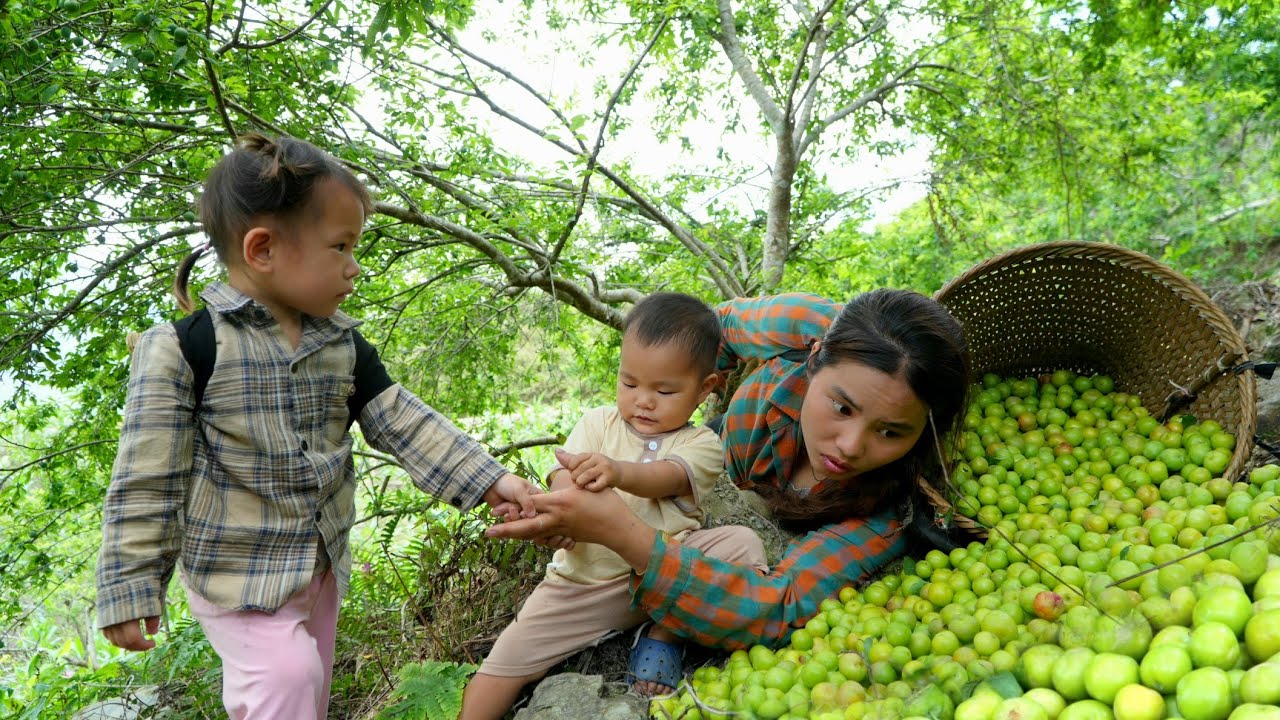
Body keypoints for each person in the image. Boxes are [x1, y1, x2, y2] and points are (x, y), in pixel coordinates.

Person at [94, 133, 545, 720]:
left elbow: (402, 420)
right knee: (288, 678)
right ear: (263, 249)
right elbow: (146, 476)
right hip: (238, 579)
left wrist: (491, 481)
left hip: (320, 567)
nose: (354, 269)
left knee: (309, 692)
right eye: (341, 247)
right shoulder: (183, 348)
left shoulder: (341, 343)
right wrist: (130, 585)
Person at [486, 290, 972, 655]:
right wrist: (681, 399)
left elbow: (777, 604)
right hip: (719, 448)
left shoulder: (883, 515)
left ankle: (665, 634)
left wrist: (624, 536)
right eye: (842, 407)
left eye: (890, 433)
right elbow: (712, 329)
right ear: (814, 356)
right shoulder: (807, 324)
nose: (850, 446)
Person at [459, 292, 769, 719]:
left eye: (664, 390)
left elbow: (669, 477)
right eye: (630, 383)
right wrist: (552, 512)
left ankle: (666, 631)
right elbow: (562, 476)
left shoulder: (702, 444)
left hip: (665, 574)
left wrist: (618, 472)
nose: (643, 400)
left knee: (743, 545)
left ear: (705, 389)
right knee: (501, 666)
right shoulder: (596, 423)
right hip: (581, 585)